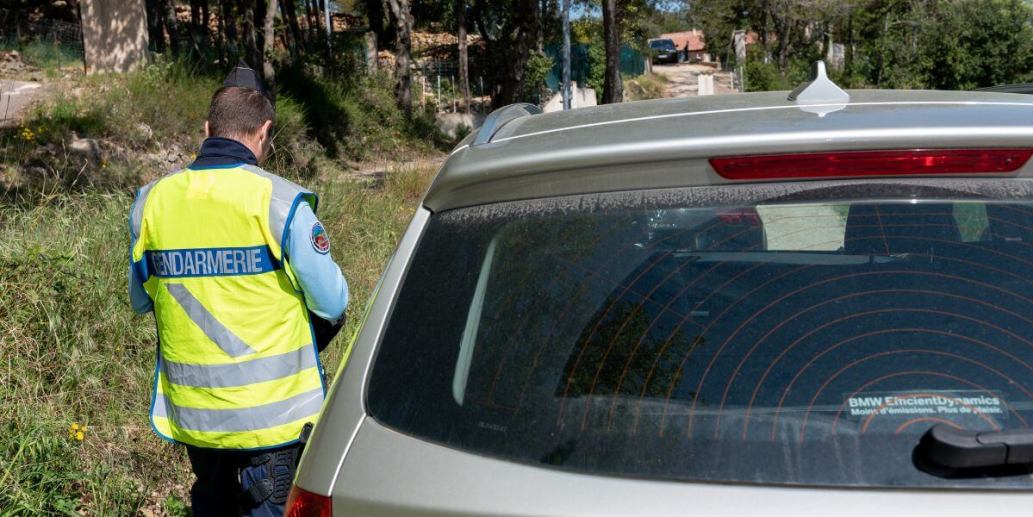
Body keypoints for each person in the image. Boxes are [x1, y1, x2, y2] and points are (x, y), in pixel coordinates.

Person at [128, 63, 348, 516]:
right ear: (265, 131)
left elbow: (140, 299)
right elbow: (333, 303)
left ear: (207, 129)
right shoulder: (281, 202)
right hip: (271, 423)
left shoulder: (151, 202)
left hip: (196, 418)